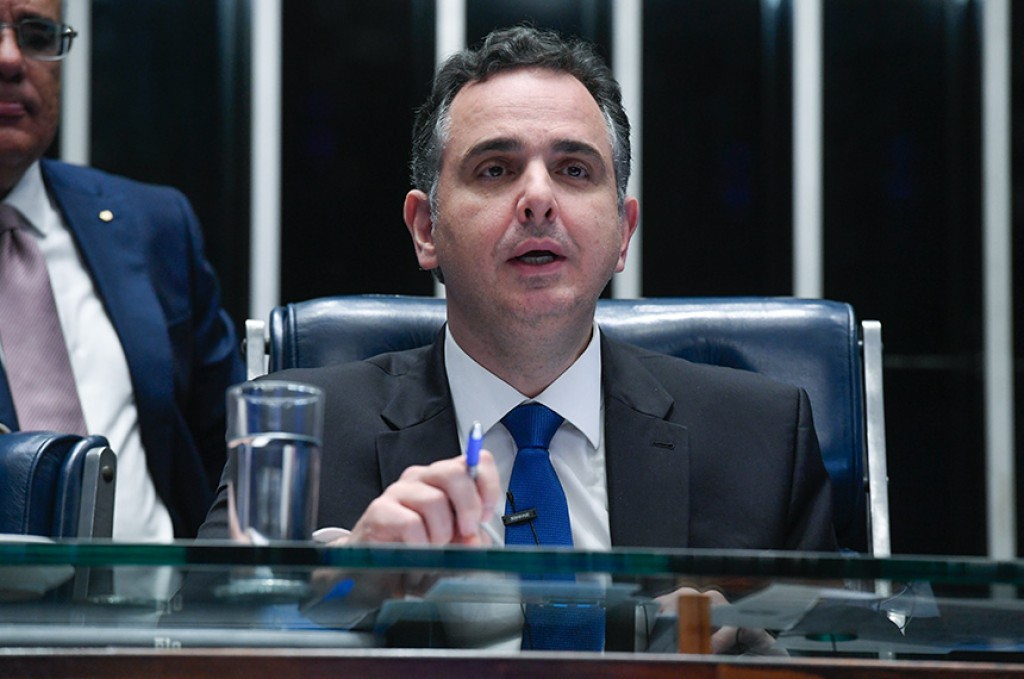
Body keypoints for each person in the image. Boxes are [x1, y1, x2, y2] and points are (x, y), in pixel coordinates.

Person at [199, 26, 836, 645]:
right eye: (496, 170)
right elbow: (192, 638)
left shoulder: (761, 436)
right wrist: (342, 591)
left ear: (623, 233)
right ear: (426, 229)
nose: (538, 198)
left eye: (575, 170)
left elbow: (844, 652)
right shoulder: (303, 433)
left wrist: (747, 650)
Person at [0, 0, 244, 540]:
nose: (11, 59)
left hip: (161, 591)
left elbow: (229, 445)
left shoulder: (153, 225)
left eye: (37, 35)